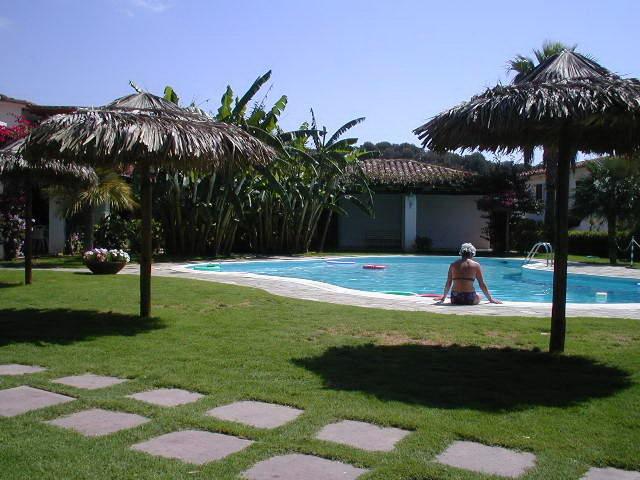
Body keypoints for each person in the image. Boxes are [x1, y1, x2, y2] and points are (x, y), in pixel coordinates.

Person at [435, 243, 502, 305]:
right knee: (480, 296)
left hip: (455, 298)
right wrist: (490, 299)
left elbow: (448, 283)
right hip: (469, 299)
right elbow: (481, 284)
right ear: (472, 254)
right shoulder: (476, 265)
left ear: (461, 253)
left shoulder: (453, 265)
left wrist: (443, 297)